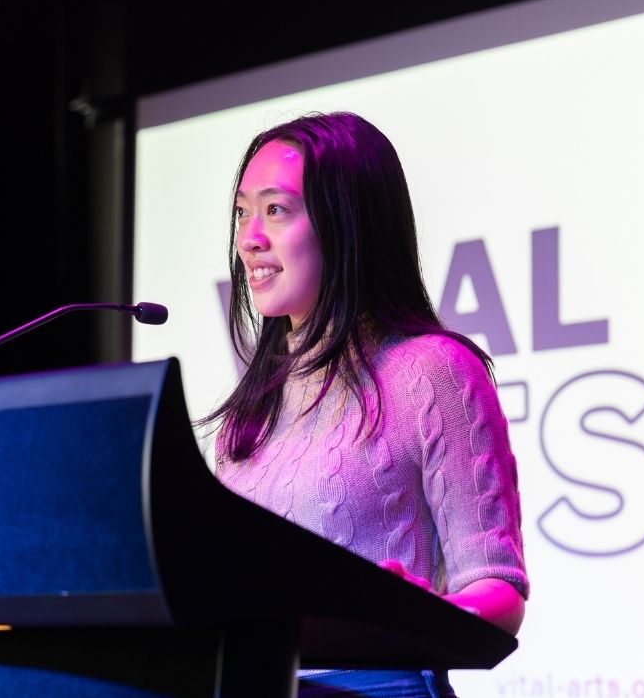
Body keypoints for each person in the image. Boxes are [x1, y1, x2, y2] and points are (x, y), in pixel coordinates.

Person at [208, 112, 529, 698]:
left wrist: (416, 611)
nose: (249, 237)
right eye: (241, 212)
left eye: (275, 210)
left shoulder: (432, 372)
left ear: (346, 223)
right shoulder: (249, 409)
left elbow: (499, 593)